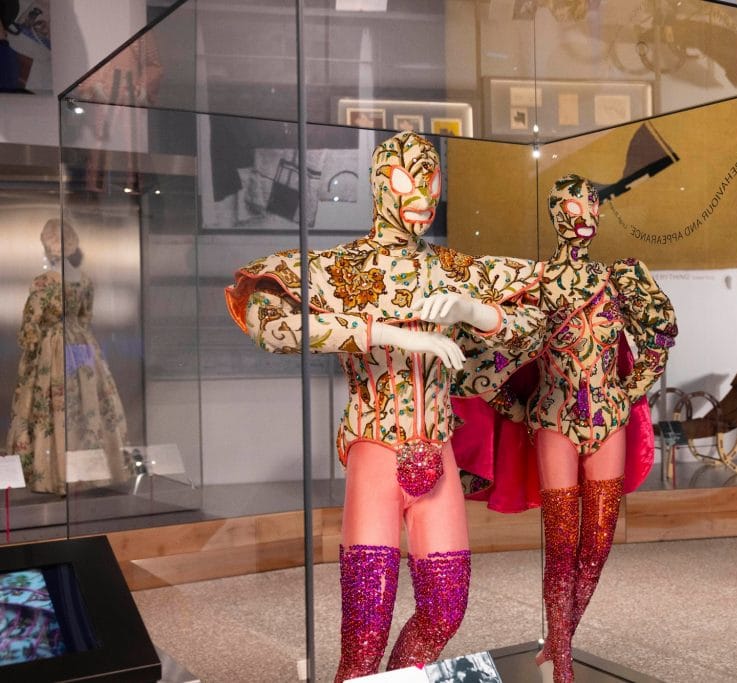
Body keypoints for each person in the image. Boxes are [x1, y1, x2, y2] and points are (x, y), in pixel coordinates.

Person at [225, 131, 545, 681]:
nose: (420, 196)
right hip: (375, 449)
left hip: (437, 453)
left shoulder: (452, 267)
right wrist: (389, 334)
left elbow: (534, 322)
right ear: (380, 185)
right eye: (404, 181)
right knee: (365, 627)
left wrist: (475, 308)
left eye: (430, 181)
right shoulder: (341, 269)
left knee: (445, 609)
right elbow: (265, 318)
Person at [455, 174, 676, 682]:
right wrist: (514, 407)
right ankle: (563, 665)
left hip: (609, 418)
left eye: (589, 210)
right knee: (560, 544)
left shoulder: (621, 278)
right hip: (553, 418)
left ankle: (559, 640)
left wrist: (632, 386)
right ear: (555, 215)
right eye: (570, 210)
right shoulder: (530, 283)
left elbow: (661, 333)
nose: (581, 220)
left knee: (596, 543)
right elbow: (485, 356)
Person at [6, 219, 129, 494]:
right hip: (82, 346)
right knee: (84, 402)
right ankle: (87, 473)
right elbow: (86, 317)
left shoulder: (43, 283)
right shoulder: (84, 280)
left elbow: (31, 324)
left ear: (46, 245)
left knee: (54, 406)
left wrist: (30, 351)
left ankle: (54, 474)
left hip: (53, 347)